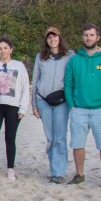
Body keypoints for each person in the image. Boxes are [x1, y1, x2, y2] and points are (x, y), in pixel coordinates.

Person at [64, 23, 101, 189]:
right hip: (79, 109)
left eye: (92, 35)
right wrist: (72, 105)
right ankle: (79, 174)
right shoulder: (75, 60)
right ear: (83, 37)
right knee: (78, 144)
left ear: (98, 37)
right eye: (86, 35)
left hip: (100, 110)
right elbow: (68, 84)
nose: (88, 38)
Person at [0, 37, 31, 180]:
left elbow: (24, 87)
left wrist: (23, 108)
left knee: (10, 138)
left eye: (5, 48)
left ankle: (10, 169)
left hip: (13, 107)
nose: (2, 51)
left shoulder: (19, 66)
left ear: (11, 49)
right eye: (0, 48)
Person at [31, 26, 74, 184]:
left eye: (54, 36)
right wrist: (34, 104)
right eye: (49, 37)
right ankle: (54, 168)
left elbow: (84, 59)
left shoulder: (70, 56)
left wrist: (100, 50)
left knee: (60, 137)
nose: (52, 39)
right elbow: (35, 80)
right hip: (43, 100)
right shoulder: (40, 57)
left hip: (61, 101)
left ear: (59, 37)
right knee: (50, 137)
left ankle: (59, 172)